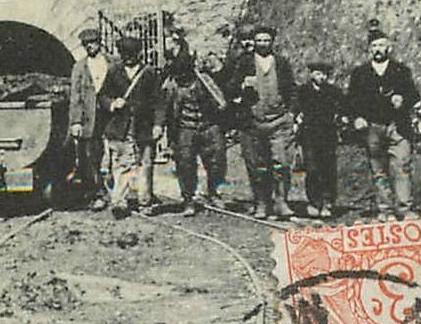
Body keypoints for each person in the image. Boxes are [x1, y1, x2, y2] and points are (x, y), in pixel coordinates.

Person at [346, 23, 420, 219]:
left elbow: (414, 94)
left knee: (402, 167)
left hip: (398, 127)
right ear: (369, 50)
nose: (378, 50)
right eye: (374, 46)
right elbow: (350, 100)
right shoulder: (360, 73)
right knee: (378, 170)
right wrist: (357, 118)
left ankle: (405, 209)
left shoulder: (401, 70)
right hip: (373, 127)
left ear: (389, 48)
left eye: (381, 45)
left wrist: (403, 100)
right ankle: (385, 210)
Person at [228, 25, 296, 221]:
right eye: (260, 40)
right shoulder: (244, 62)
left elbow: (292, 89)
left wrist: (291, 113)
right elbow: (229, 88)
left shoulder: (281, 62)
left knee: (281, 164)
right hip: (253, 121)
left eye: (267, 40)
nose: (263, 44)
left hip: (278, 121)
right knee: (257, 165)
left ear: (272, 42)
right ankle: (261, 202)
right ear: (254, 42)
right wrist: (242, 85)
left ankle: (281, 201)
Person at [159, 53, 227, 216]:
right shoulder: (171, 86)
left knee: (217, 160)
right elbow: (164, 109)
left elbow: (221, 100)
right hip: (185, 128)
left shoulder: (205, 80)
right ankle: (188, 198)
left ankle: (213, 192)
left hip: (209, 126)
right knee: (185, 164)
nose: (183, 77)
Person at [99, 35, 161, 217]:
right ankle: (119, 201)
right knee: (121, 164)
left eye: (132, 54)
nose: (129, 58)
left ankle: (145, 202)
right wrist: (112, 103)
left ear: (138, 54)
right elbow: (102, 96)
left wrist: (158, 124)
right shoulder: (114, 72)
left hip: (144, 126)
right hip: (120, 126)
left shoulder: (149, 73)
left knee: (145, 164)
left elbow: (159, 101)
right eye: (125, 55)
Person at [67, 27, 110, 209]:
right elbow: (75, 95)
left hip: (110, 113)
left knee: (115, 151)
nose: (90, 47)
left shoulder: (112, 63)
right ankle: (95, 192)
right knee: (91, 155)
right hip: (89, 117)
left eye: (92, 43)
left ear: (99, 42)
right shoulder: (79, 67)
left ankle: (116, 190)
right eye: (86, 45)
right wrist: (75, 121)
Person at [296, 61, 344, 219]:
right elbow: (295, 108)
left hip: (328, 135)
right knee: (312, 169)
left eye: (323, 74)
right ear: (311, 75)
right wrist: (297, 119)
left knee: (328, 169)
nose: (320, 77)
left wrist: (341, 118)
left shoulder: (333, 91)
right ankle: (314, 202)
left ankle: (328, 201)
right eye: (317, 73)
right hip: (309, 135)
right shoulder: (303, 91)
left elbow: (343, 107)